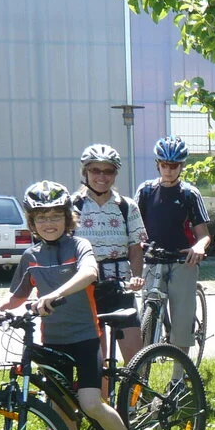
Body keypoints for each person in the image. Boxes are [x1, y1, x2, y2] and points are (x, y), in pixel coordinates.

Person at [0, 180, 155, 430]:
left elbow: (90, 273)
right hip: (53, 345)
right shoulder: (30, 256)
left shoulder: (80, 245)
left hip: (84, 339)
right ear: (32, 222)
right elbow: (16, 295)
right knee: (62, 413)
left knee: (91, 404)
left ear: (67, 217)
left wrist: (54, 294)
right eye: (41, 217)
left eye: (55, 215)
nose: (48, 223)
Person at [72, 144, 147, 371]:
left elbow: (136, 247)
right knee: (98, 360)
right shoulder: (72, 206)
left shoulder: (127, 206)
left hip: (119, 286)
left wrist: (136, 277)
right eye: (95, 170)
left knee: (137, 358)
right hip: (85, 287)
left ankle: (137, 403)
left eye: (109, 171)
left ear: (115, 173)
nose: (102, 177)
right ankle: (103, 403)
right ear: (85, 172)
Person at [135, 136, 211, 354]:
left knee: (181, 320)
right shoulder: (146, 191)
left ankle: (178, 378)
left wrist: (199, 247)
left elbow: (204, 234)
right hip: (152, 261)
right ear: (157, 164)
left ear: (181, 166)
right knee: (146, 321)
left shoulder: (189, 194)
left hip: (182, 261)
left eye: (174, 165)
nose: (168, 170)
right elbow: (135, 226)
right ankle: (140, 375)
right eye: (164, 165)